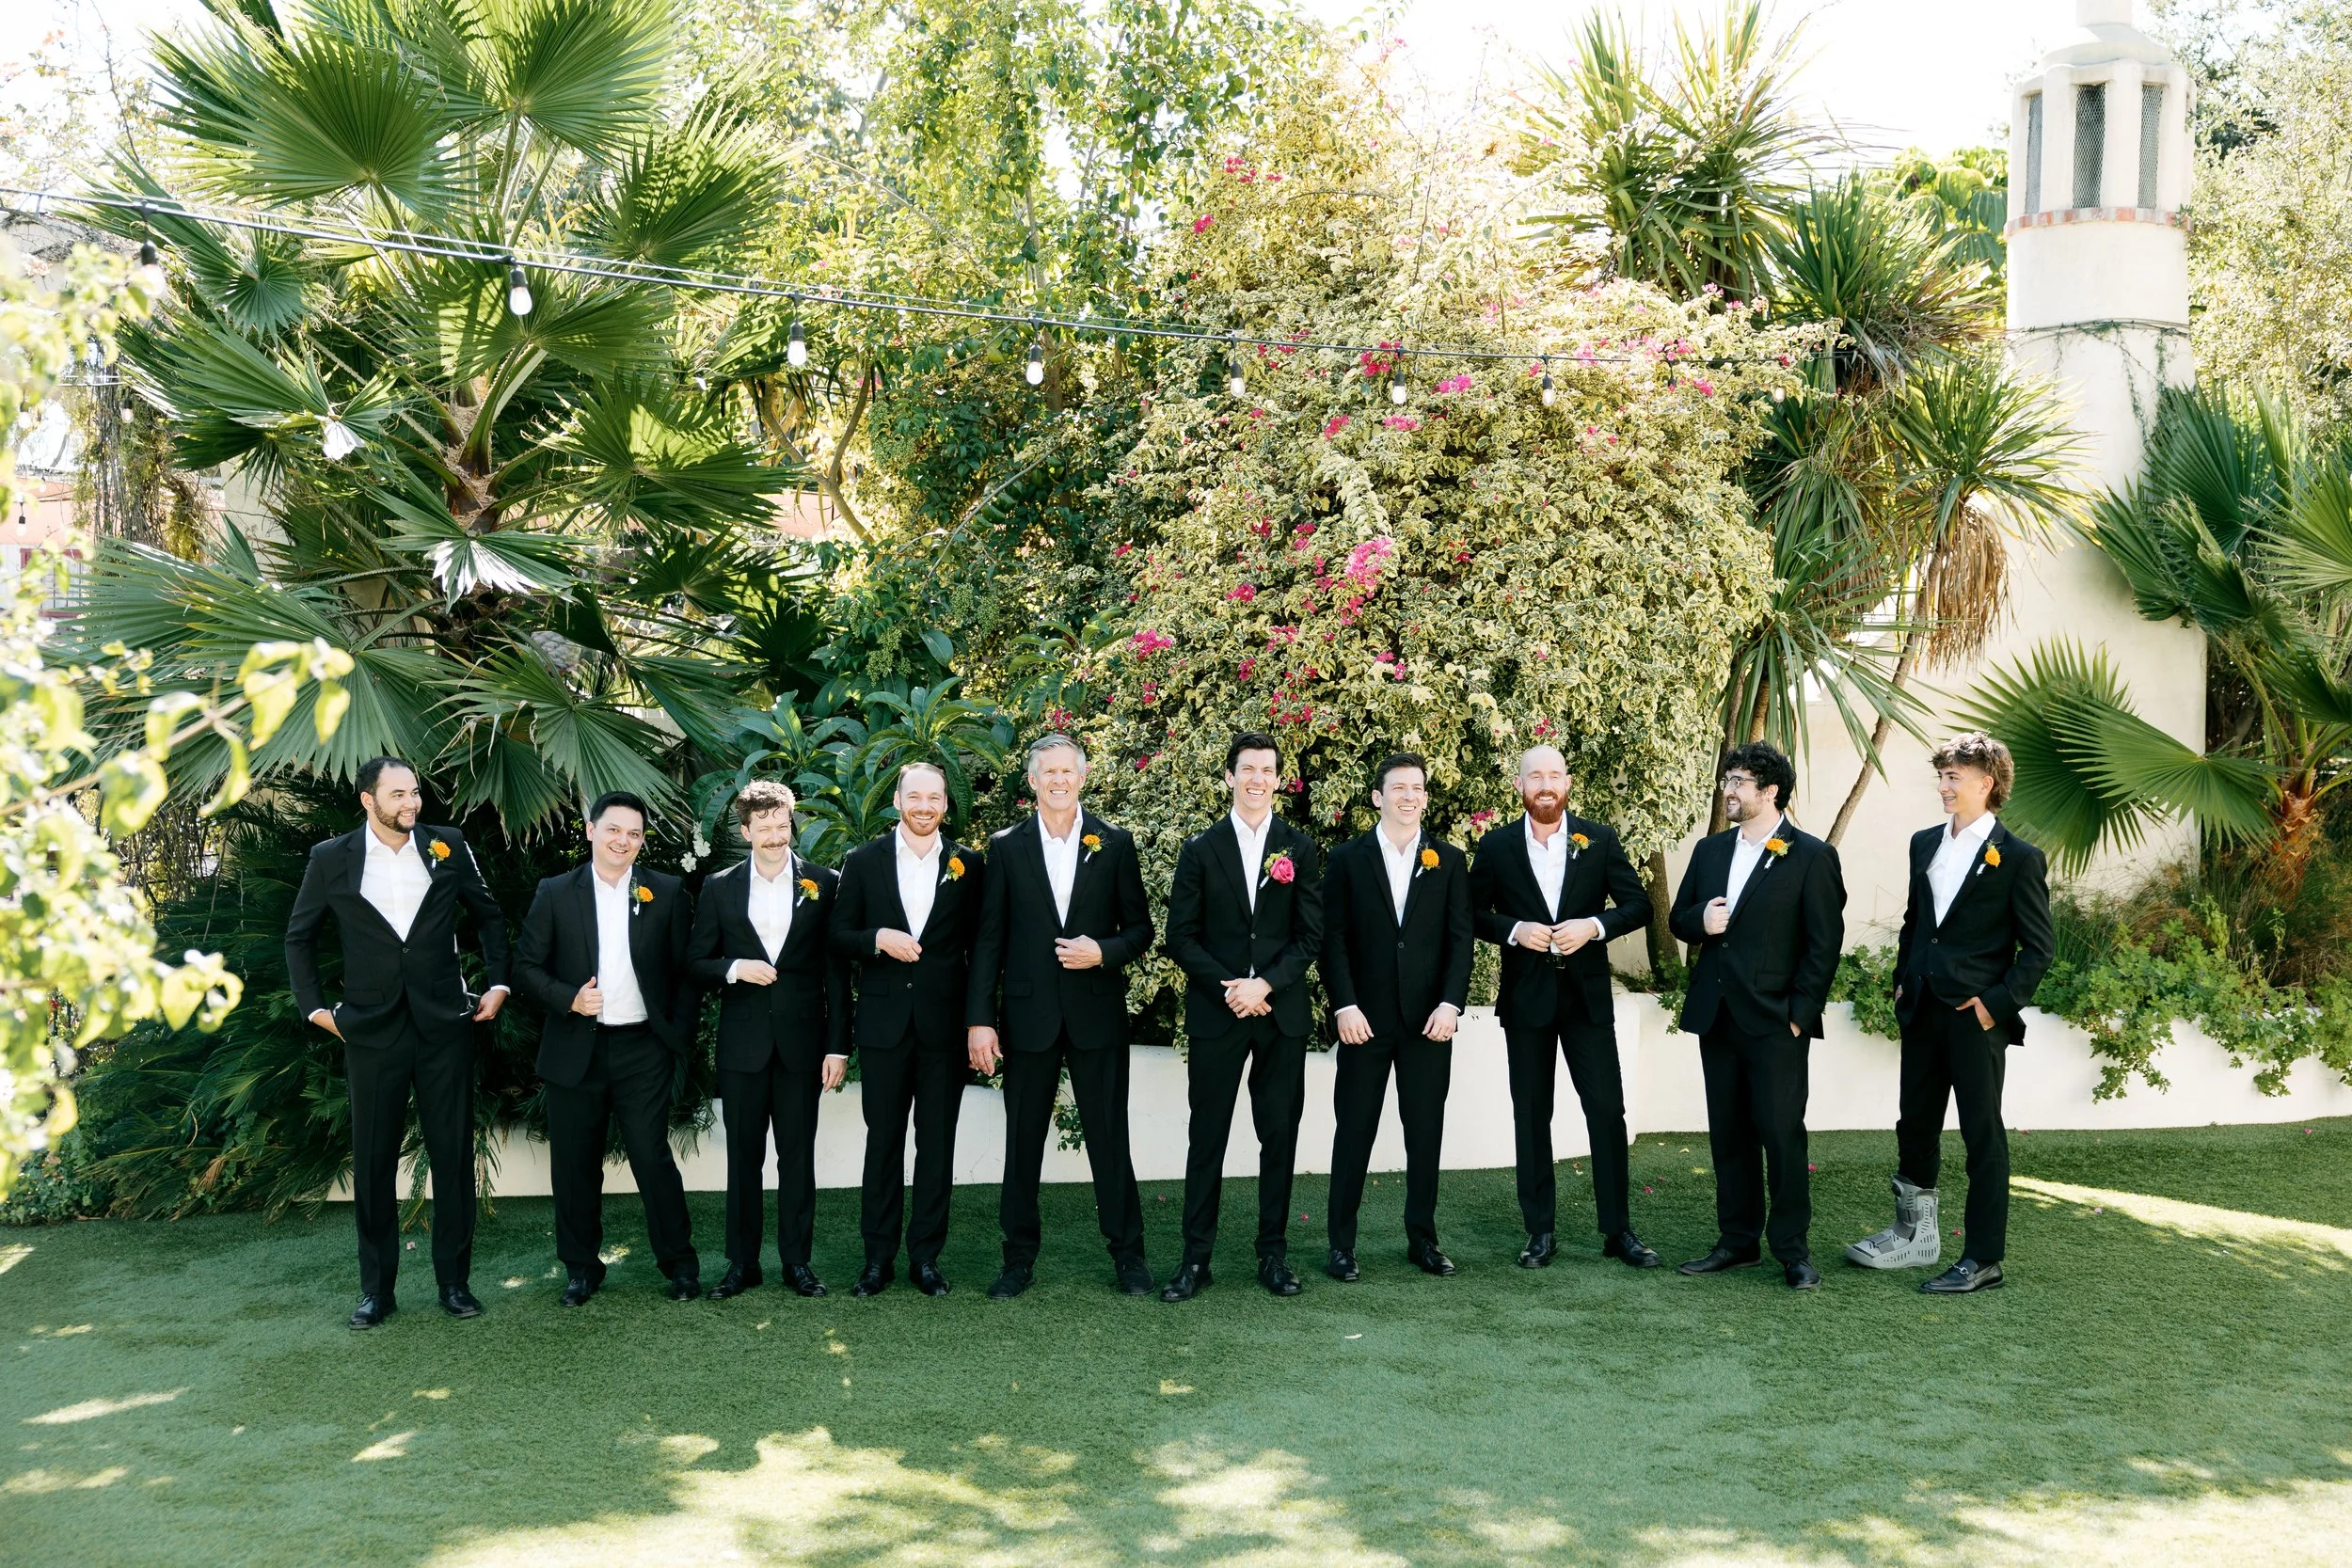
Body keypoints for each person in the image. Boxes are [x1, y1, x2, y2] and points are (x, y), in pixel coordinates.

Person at [285, 756, 511, 1330]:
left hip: (444, 1026)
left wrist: (498, 983)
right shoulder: (330, 858)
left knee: (452, 1156)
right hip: (371, 1031)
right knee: (374, 1160)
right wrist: (315, 1008)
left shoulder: (448, 844)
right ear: (368, 800)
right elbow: (299, 937)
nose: (412, 803)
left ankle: (454, 1283)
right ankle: (376, 1290)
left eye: (415, 792)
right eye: (398, 794)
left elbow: (489, 916)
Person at [1847, 733, 2053, 1294]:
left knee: (1982, 1135)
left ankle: (1983, 1259)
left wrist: (1993, 1006)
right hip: (1921, 1009)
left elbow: (2039, 950)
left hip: (1974, 1018)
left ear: (1986, 783)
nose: (1942, 786)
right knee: (1914, 1124)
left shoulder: (2019, 858)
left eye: (1953, 777)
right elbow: (1916, 922)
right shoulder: (1923, 843)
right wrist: (1900, 982)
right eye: (1941, 776)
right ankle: (1913, 1236)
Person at [966, 734, 1156, 1300]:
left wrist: (1103, 951)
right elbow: (989, 939)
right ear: (1032, 781)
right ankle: (1017, 1260)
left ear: (1083, 776)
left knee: (1109, 1138)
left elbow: (1140, 929)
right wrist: (981, 1019)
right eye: (1047, 771)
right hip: (1029, 1017)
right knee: (1022, 1143)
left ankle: (1129, 1256)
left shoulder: (1114, 843)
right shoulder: (1005, 847)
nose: (1058, 780)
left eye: (1067, 771)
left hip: (1096, 1013)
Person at [1469, 743, 1659, 1272]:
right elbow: (1470, 912)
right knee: (1532, 1115)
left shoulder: (1599, 839)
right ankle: (1540, 1231)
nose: (1546, 785)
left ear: (1567, 783)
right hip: (1526, 1001)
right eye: (1535, 776)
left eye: (1554, 775)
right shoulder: (1497, 846)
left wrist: (1593, 927)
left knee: (1607, 1111)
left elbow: (1638, 905)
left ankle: (1618, 1230)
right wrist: (1514, 929)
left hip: (1586, 1000)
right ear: (1520, 785)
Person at [512, 792, 701, 1307]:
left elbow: (686, 971)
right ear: (591, 830)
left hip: (644, 1048)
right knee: (575, 1164)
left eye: (634, 833)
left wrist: (676, 1033)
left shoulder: (666, 890)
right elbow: (525, 967)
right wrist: (568, 998)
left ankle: (680, 1266)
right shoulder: (556, 892)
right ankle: (581, 1269)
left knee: (651, 1156)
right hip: (577, 1047)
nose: (624, 841)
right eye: (614, 829)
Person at [1668, 743, 1845, 1290]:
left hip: (1776, 1022)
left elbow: (1824, 945)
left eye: (1739, 782)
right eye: (1728, 779)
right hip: (1717, 1017)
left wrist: (1799, 1015)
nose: (1729, 790)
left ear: (1770, 792)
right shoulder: (1710, 850)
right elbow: (1678, 918)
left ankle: (1793, 1251)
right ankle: (1737, 1242)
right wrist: (1701, 920)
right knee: (1728, 1135)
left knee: (1781, 1135)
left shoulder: (1811, 856)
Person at [1160, 732, 1327, 1301]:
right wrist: (1231, 989)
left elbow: (1310, 936)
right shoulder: (1200, 849)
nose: (1257, 779)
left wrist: (1266, 985)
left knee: (1278, 1135)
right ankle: (1195, 1259)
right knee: (1207, 1136)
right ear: (1230, 777)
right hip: (1219, 1012)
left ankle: (1273, 1255)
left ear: (1278, 780)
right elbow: (1180, 936)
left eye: (1267, 770)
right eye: (1247, 769)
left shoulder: (1299, 849)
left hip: (1280, 1014)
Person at [830, 762, 986, 1298]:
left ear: (945, 804)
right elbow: (838, 935)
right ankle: (877, 1259)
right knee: (883, 1143)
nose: (924, 807)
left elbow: (982, 947)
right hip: (884, 1027)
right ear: (897, 800)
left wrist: (978, 1021)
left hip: (944, 1029)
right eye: (914, 797)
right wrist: (877, 938)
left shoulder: (969, 864)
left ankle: (926, 1258)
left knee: (936, 1145)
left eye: (934, 798)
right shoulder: (863, 861)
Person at [1319, 752, 1474, 1281]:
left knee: (1425, 1133)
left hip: (1430, 1023)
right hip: (1363, 1022)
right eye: (1399, 788)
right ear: (1377, 797)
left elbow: (1460, 940)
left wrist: (1451, 1004)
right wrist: (1344, 1004)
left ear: (1425, 797)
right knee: (1353, 1131)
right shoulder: (1347, 859)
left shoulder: (1448, 860)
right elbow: (1333, 939)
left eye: (1417, 788)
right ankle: (1341, 1245)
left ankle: (1423, 1240)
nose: (1409, 796)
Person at [689, 782, 846, 1300]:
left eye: (782, 826)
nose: (776, 836)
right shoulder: (719, 887)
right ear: (745, 831)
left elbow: (836, 973)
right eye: (765, 828)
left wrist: (837, 1046)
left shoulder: (825, 883)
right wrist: (735, 968)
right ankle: (742, 1263)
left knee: (797, 1159)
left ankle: (798, 1263)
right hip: (742, 1048)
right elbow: (695, 962)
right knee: (743, 1159)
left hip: (803, 1047)